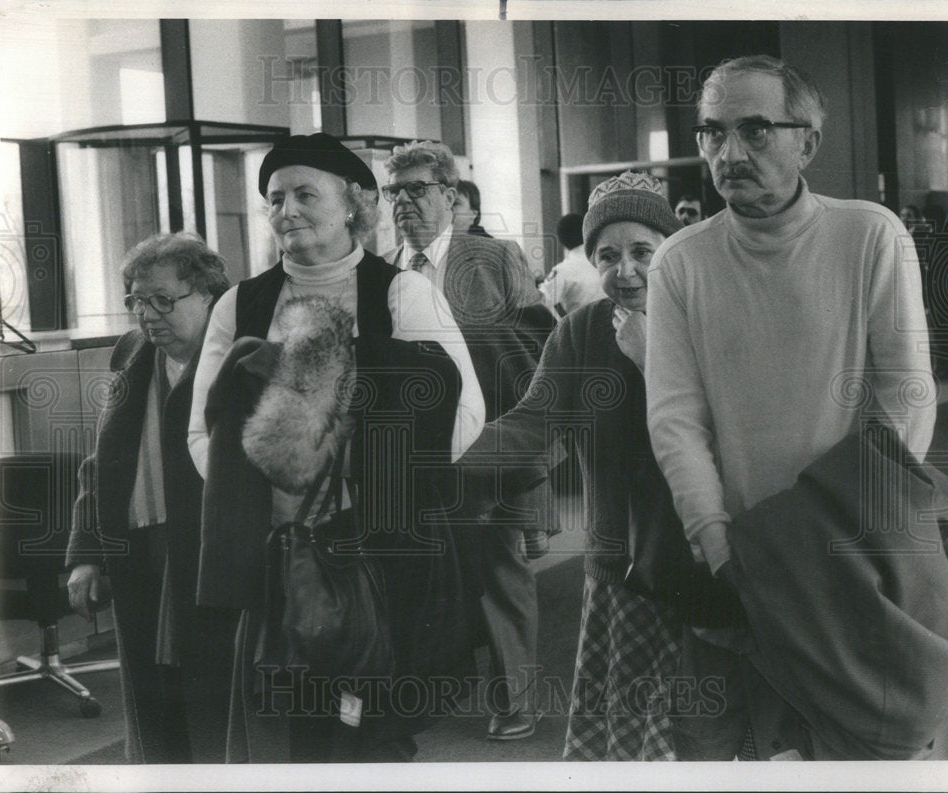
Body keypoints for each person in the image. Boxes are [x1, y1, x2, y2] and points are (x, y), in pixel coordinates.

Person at [645, 55, 935, 760]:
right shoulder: (680, 261)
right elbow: (676, 419)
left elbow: (905, 395)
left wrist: (830, 539)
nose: (727, 152)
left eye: (754, 130)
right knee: (715, 750)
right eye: (712, 133)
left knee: (851, 748)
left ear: (807, 141)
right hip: (730, 561)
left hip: (848, 558)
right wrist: (717, 541)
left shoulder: (869, 235)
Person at [188, 133, 486, 762]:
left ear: (354, 203)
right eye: (274, 199)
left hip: (375, 544)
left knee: (369, 724)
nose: (286, 210)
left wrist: (364, 472)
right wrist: (263, 490)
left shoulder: (401, 294)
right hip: (274, 550)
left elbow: (465, 411)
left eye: (304, 194)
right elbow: (201, 430)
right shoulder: (240, 305)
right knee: (285, 721)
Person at [453, 170, 686, 759]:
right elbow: (533, 425)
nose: (624, 270)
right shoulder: (582, 330)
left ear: (671, 251)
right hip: (618, 564)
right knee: (625, 747)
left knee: (698, 738)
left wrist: (648, 355)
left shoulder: (698, 321)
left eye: (642, 252)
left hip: (698, 563)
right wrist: (436, 458)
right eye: (607, 256)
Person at [383, 140, 556, 740]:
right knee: (424, 572)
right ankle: (429, 689)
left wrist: (518, 447)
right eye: (394, 191)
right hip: (413, 454)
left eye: (419, 189)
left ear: (450, 196)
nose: (405, 202)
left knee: (498, 571)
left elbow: (537, 350)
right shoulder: (384, 273)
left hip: (489, 444)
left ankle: (516, 700)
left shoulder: (492, 258)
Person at [66, 232, 237, 763]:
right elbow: (103, 461)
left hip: (214, 556)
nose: (148, 314)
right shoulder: (133, 351)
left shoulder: (240, 355)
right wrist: (87, 552)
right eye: (137, 300)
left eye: (163, 299)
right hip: (139, 555)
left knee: (215, 705)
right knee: (151, 706)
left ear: (208, 294)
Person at [538, 212, 606, 318]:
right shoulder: (607, 262)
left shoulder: (563, 271)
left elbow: (541, 302)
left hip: (581, 330)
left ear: (561, 240)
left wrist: (559, 325)